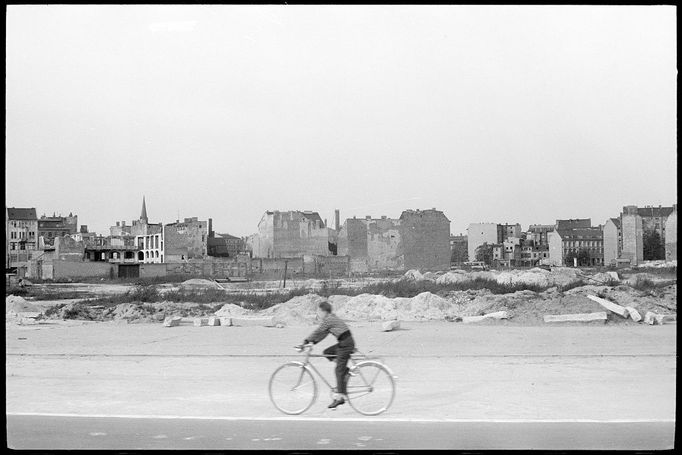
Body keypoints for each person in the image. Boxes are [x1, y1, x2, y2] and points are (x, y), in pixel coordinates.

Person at [301, 301, 355, 409]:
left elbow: (318, 331)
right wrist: (314, 342)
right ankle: (344, 369)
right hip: (345, 342)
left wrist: (306, 341)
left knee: (338, 371)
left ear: (323, 311)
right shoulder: (330, 319)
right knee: (327, 352)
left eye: (319, 311)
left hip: (346, 344)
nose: (318, 314)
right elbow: (323, 334)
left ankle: (340, 398)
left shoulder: (329, 319)